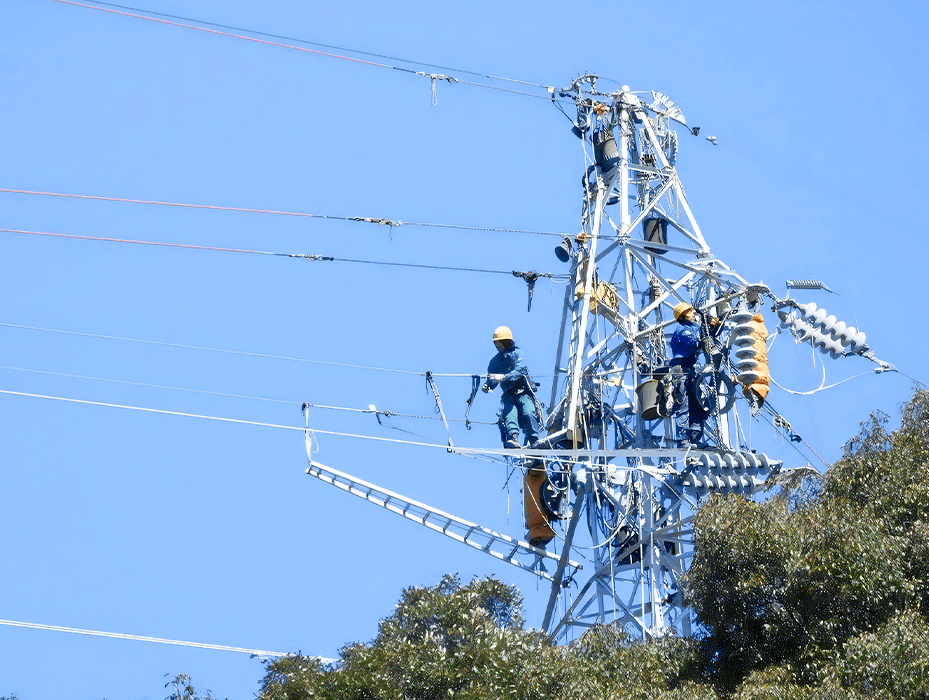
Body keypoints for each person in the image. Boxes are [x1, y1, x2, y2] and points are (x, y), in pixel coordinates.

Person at [482, 326, 542, 451]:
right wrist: (488, 385)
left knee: (528, 412)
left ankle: (534, 440)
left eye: (500, 343)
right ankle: (513, 439)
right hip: (509, 395)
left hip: (523, 392)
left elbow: (520, 370)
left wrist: (503, 377)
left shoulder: (517, 353)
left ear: (506, 342)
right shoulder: (495, 362)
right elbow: (492, 378)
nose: (497, 346)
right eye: (496, 344)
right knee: (510, 415)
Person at [669, 303, 720, 445]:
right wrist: (703, 334)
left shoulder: (695, 328)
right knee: (683, 403)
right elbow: (693, 343)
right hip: (680, 370)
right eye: (691, 312)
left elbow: (707, 335)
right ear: (683, 315)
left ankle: (696, 438)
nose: (693, 314)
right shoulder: (682, 329)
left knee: (697, 404)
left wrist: (713, 323)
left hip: (690, 370)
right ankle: (684, 439)